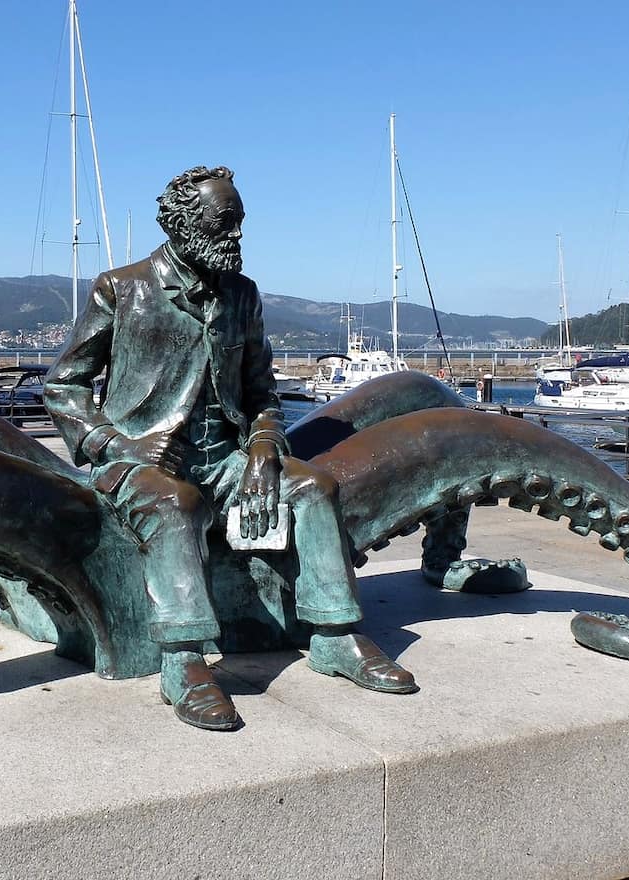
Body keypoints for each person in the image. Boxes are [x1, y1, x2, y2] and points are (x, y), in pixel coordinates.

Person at [44, 166, 416, 731]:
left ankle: (336, 636)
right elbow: (63, 386)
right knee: (175, 507)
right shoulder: (121, 288)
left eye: (240, 223)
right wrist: (120, 444)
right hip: (140, 458)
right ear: (181, 223)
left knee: (315, 489)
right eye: (225, 223)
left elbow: (262, 392)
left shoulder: (242, 295)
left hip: (225, 456)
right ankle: (184, 661)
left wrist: (264, 447)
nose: (236, 237)